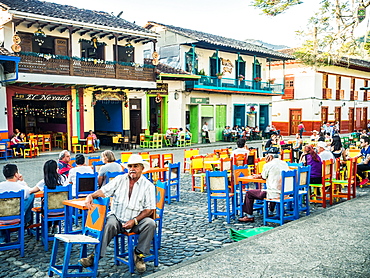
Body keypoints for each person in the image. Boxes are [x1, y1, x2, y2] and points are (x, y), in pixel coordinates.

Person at [79, 154, 156, 273]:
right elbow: (104, 191)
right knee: (109, 224)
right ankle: (95, 256)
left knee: (151, 223)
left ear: (141, 168)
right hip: (118, 217)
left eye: (135, 166)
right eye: (130, 166)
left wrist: (134, 221)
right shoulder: (120, 179)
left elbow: (149, 209)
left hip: (137, 220)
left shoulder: (148, 186)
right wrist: (90, 196)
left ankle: (139, 255)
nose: (132, 169)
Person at [238, 153, 289, 222]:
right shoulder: (284, 164)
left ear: (270, 156)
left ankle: (249, 215)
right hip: (285, 192)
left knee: (249, 193)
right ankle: (270, 211)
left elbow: (264, 176)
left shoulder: (268, 165)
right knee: (273, 187)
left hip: (274, 193)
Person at [30, 160, 68, 234]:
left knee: (47, 204)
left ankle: (49, 227)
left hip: (48, 212)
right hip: (62, 210)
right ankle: (56, 225)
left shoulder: (44, 181)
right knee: (58, 202)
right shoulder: (63, 179)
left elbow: (31, 191)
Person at [0, 164, 35, 241]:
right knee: (31, 195)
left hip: (1, 220)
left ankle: (2, 237)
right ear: (16, 174)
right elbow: (30, 191)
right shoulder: (21, 188)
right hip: (17, 219)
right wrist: (22, 181)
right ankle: (27, 220)